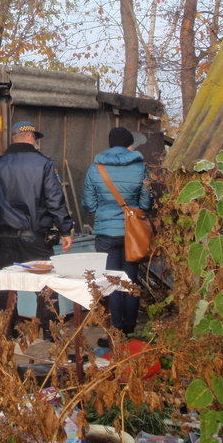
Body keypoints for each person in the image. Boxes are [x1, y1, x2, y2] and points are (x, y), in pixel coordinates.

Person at [0, 121, 74, 340]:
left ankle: (5, 332)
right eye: (35, 137)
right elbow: (55, 200)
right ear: (30, 137)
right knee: (45, 286)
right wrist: (66, 229)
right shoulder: (43, 164)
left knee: (6, 285)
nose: (36, 141)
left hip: (5, 236)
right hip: (35, 236)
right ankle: (49, 334)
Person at [81, 127, 151, 343]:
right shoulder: (140, 167)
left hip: (105, 233)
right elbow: (146, 202)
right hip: (133, 232)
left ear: (110, 144)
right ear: (129, 144)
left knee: (111, 280)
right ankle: (130, 329)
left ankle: (115, 331)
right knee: (130, 279)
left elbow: (89, 204)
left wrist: (103, 209)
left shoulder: (96, 168)